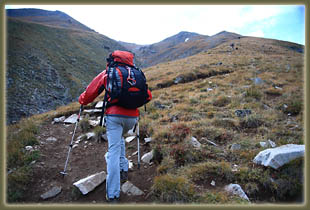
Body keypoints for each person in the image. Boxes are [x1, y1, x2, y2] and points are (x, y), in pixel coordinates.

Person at [78, 51, 152, 203]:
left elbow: (91, 92)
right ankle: (124, 168)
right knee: (119, 141)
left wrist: (82, 100)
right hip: (132, 118)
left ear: (113, 59)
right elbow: (148, 95)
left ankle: (112, 193)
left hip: (114, 116)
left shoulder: (109, 72)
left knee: (113, 150)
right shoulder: (136, 73)